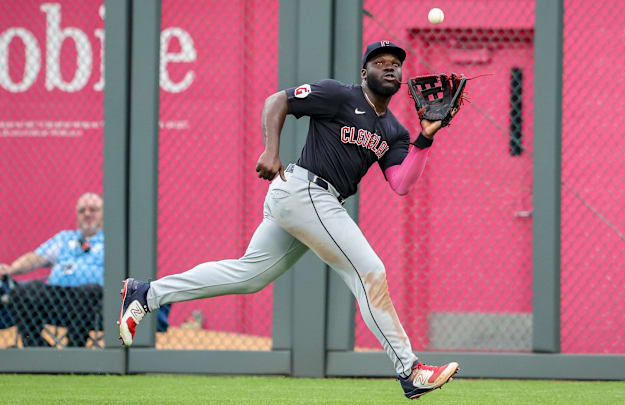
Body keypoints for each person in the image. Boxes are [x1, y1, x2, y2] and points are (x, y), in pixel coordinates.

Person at [118, 41, 459, 399]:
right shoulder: (338, 95)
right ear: (364, 73)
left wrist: (425, 138)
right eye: (380, 62)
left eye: (395, 64)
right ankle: (410, 370)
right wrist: (271, 149)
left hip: (312, 202)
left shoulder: (394, 131)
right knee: (369, 272)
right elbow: (276, 101)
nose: (389, 67)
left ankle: (147, 293)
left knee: (249, 275)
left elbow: (401, 184)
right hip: (304, 191)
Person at [0, 192, 104, 347]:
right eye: (82, 211)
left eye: (93, 209)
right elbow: (36, 258)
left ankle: (75, 350)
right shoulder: (65, 238)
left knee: (89, 290)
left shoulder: (112, 239)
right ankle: (38, 349)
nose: (87, 214)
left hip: (92, 299)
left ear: (103, 214)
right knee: (21, 292)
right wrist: (11, 269)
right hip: (56, 296)